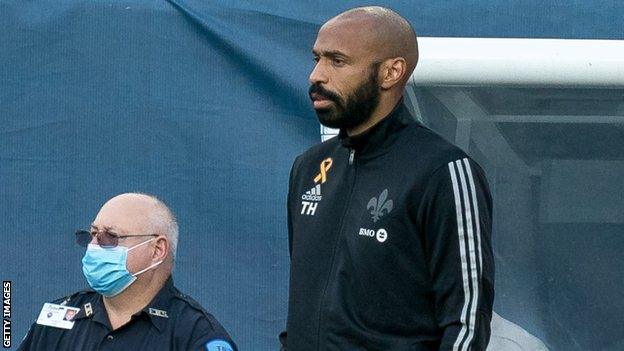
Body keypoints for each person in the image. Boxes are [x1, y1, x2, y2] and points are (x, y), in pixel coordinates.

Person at [281, 6, 494, 351]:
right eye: (316, 58)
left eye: (337, 61)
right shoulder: (309, 167)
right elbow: (305, 308)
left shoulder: (443, 170)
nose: (316, 75)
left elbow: (466, 319)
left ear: (391, 72)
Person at [19, 193, 237, 351]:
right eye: (92, 234)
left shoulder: (196, 335)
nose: (93, 246)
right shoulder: (57, 318)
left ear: (157, 250)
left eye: (110, 237)